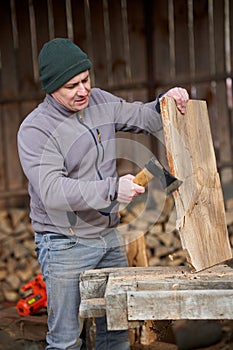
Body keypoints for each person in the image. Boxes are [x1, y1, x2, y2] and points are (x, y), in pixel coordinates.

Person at [17, 38, 189, 350]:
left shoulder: (98, 101)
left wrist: (166, 100)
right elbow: (53, 191)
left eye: (85, 79)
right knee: (66, 340)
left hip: (108, 235)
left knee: (116, 331)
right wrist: (113, 188)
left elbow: (142, 117)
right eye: (71, 86)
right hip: (64, 241)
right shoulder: (35, 130)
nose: (83, 90)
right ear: (51, 87)